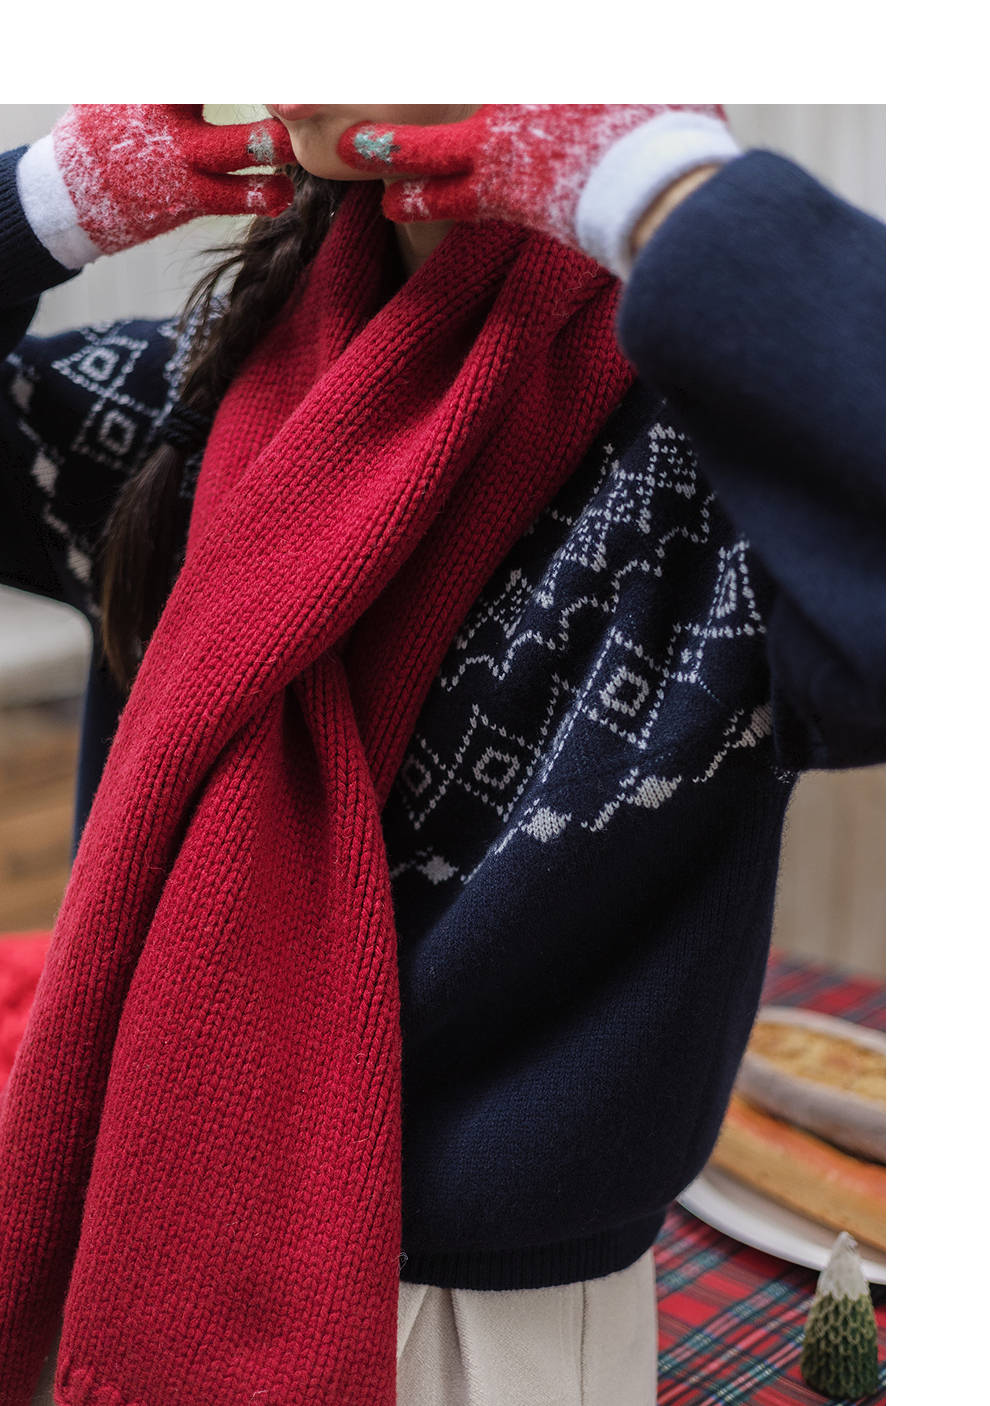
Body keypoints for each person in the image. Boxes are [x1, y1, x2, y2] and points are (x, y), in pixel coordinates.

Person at [0, 104, 884, 1406]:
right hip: (131, 1210)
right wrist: (43, 202)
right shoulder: (193, 399)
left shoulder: (710, 468)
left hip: (490, 1328)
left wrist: (657, 188)